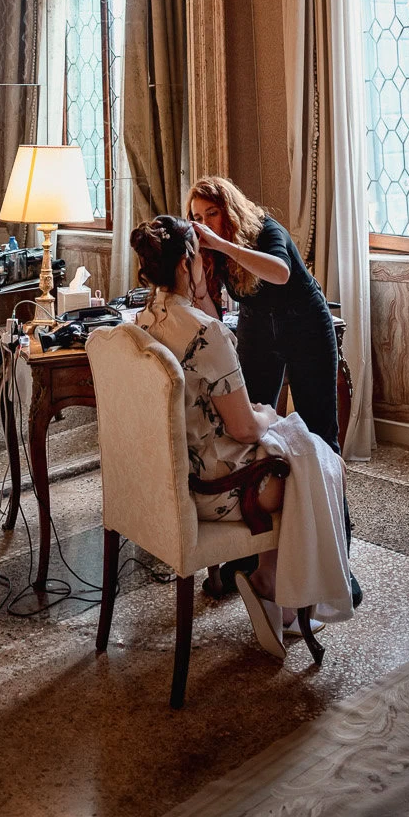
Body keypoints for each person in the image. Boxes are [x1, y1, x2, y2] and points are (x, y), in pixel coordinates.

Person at [186, 176, 364, 607]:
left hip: (305, 325)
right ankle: (253, 556)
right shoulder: (212, 251)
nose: (204, 223)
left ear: (229, 209)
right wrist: (196, 273)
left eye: (212, 213)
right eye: (196, 217)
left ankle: (339, 559)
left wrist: (221, 244)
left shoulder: (266, 230)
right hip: (257, 332)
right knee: (251, 432)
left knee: (320, 437)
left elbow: (281, 273)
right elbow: (211, 310)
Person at [129, 214, 291, 659]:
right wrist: (267, 415)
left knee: (297, 449)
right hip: (211, 488)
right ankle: (272, 583)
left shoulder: (138, 326)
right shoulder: (208, 334)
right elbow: (241, 428)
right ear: (188, 264)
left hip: (164, 479)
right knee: (309, 463)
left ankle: (278, 588)